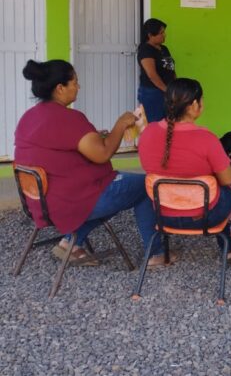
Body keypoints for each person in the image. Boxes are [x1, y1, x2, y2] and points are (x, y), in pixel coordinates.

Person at [14, 59, 167, 267]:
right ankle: (155, 253)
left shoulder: (29, 117)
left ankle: (70, 241)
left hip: (41, 201)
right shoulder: (69, 118)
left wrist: (96, 136)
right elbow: (102, 154)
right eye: (75, 82)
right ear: (60, 88)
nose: (78, 86)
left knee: (123, 189)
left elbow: (64, 148)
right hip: (72, 200)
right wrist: (120, 125)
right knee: (145, 186)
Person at [138, 78, 231, 259]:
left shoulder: (148, 133)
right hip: (205, 217)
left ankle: (159, 250)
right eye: (201, 99)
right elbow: (228, 179)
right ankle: (228, 248)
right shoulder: (206, 138)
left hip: (162, 215)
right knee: (228, 186)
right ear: (194, 105)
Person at [137, 18, 176, 123]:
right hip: (152, 93)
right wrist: (167, 90)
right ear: (150, 35)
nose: (164, 35)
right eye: (161, 33)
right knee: (155, 125)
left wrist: (174, 86)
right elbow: (152, 75)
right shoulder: (146, 50)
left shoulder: (164, 49)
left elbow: (170, 68)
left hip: (166, 91)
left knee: (167, 124)